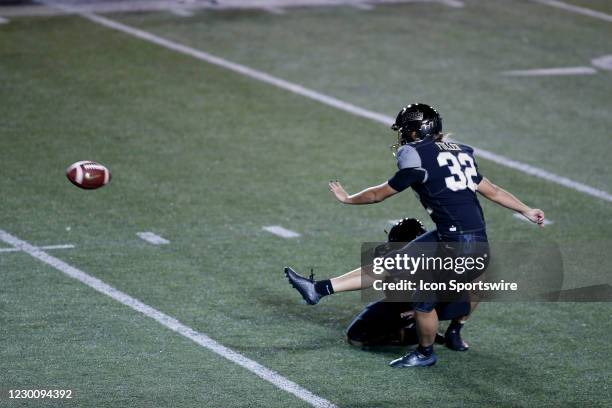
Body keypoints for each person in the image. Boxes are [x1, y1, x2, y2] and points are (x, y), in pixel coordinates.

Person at [285, 103, 545, 367]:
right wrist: (526, 209)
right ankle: (318, 289)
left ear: (416, 130)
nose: (403, 136)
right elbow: (494, 190)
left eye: (406, 130)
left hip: (460, 245)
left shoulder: (415, 154)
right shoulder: (461, 152)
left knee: (423, 299)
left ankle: (425, 353)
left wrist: (349, 199)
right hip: (461, 237)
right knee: (392, 264)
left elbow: (379, 194)